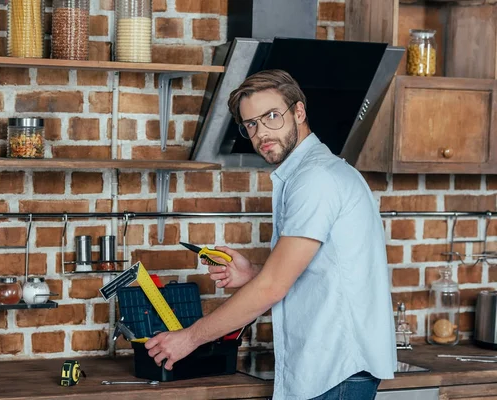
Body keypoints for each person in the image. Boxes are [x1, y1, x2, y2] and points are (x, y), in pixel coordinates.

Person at [145, 69, 397, 399]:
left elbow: (273, 288)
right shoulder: (313, 172)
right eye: (252, 124)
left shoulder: (315, 179)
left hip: (336, 369)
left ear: (299, 112)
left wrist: (188, 338)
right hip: (334, 368)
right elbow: (315, 272)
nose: (262, 132)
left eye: (272, 116)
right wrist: (253, 273)